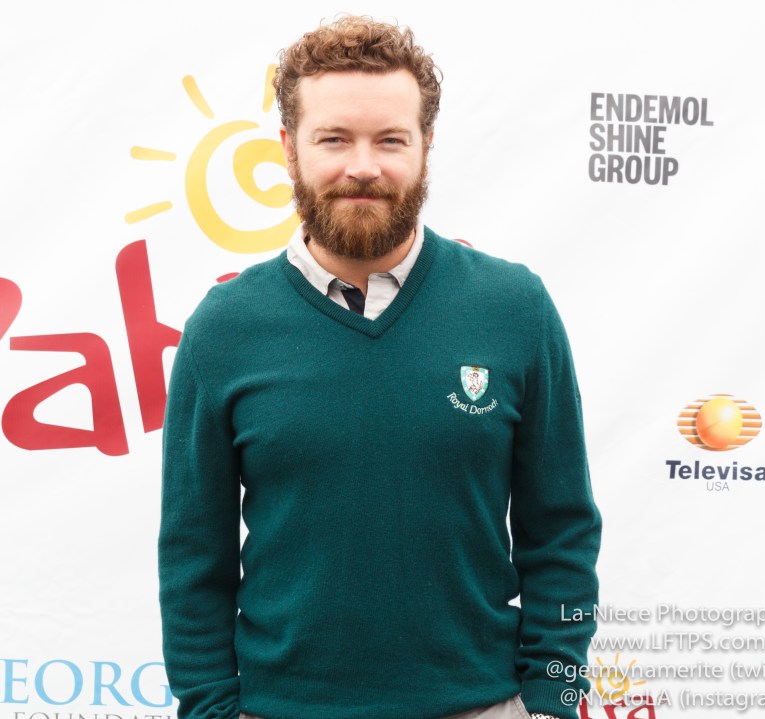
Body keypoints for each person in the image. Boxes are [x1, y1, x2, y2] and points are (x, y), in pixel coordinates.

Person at [158, 15, 601, 719]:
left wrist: (552, 699)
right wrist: (211, 708)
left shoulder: (515, 307)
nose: (362, 165)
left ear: (426, 146)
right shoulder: (224, 329)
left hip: (484, 704)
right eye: (333, 138)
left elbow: (563, 529)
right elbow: (193, 560)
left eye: (389, 139)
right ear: (287, 148)